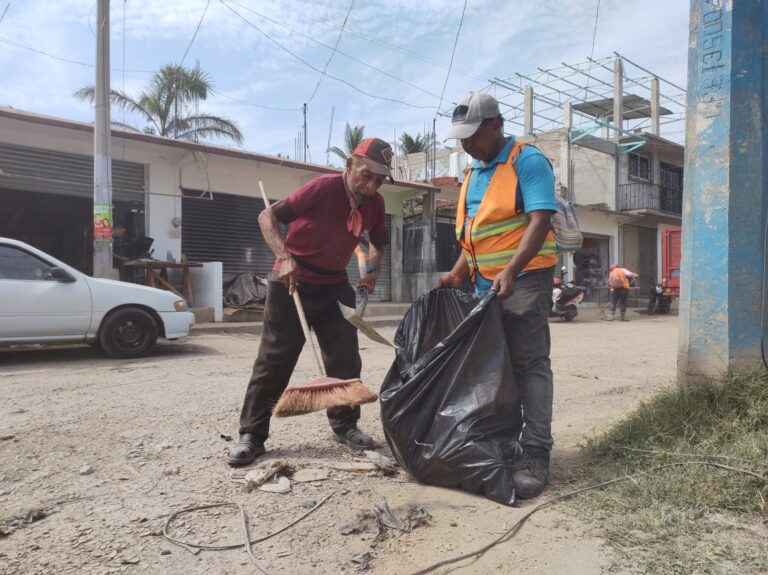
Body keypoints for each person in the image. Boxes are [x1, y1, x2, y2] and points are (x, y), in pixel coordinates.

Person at [228, 138, 393, 467]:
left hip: (335, 286)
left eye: (379, 179)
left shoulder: (374, 203)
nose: (371, 184)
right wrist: (284, 257)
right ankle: (252, 434)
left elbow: (378, 242)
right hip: (292, 281)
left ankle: (345, 426)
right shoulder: (322, 188)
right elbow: (267, 216)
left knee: (345, 359)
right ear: (349, 164)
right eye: (366, 174)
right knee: (274, 360)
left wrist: (372, 272)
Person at [437, 92, 558, 499]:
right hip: (482, 285)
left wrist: (511, 269)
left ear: (496, 126)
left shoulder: (527, 160)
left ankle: (537, 452)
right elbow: (474, 235)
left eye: (472, 135)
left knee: (529, 365)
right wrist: (457, 272)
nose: (465, 143)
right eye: (461, 137)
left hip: (524, 281)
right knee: (492, 369)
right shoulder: (473, 171)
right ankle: (504, 443)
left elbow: (540, 220)